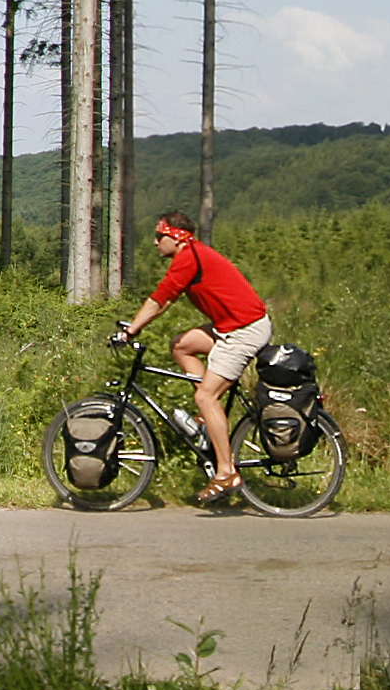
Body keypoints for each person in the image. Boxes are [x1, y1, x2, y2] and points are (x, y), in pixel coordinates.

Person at [112, 210, 275, 503]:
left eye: (159, 236)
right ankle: (207, 420)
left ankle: (226, 473)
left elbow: (159, 298)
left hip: (244, 330)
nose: (154, 242)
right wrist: (137, 326)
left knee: (206, 397)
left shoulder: (188, 258)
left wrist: (130, 331)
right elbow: (165, 302)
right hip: (233, 326)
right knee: (180, 346)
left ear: (176, 236)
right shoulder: (192, 254)